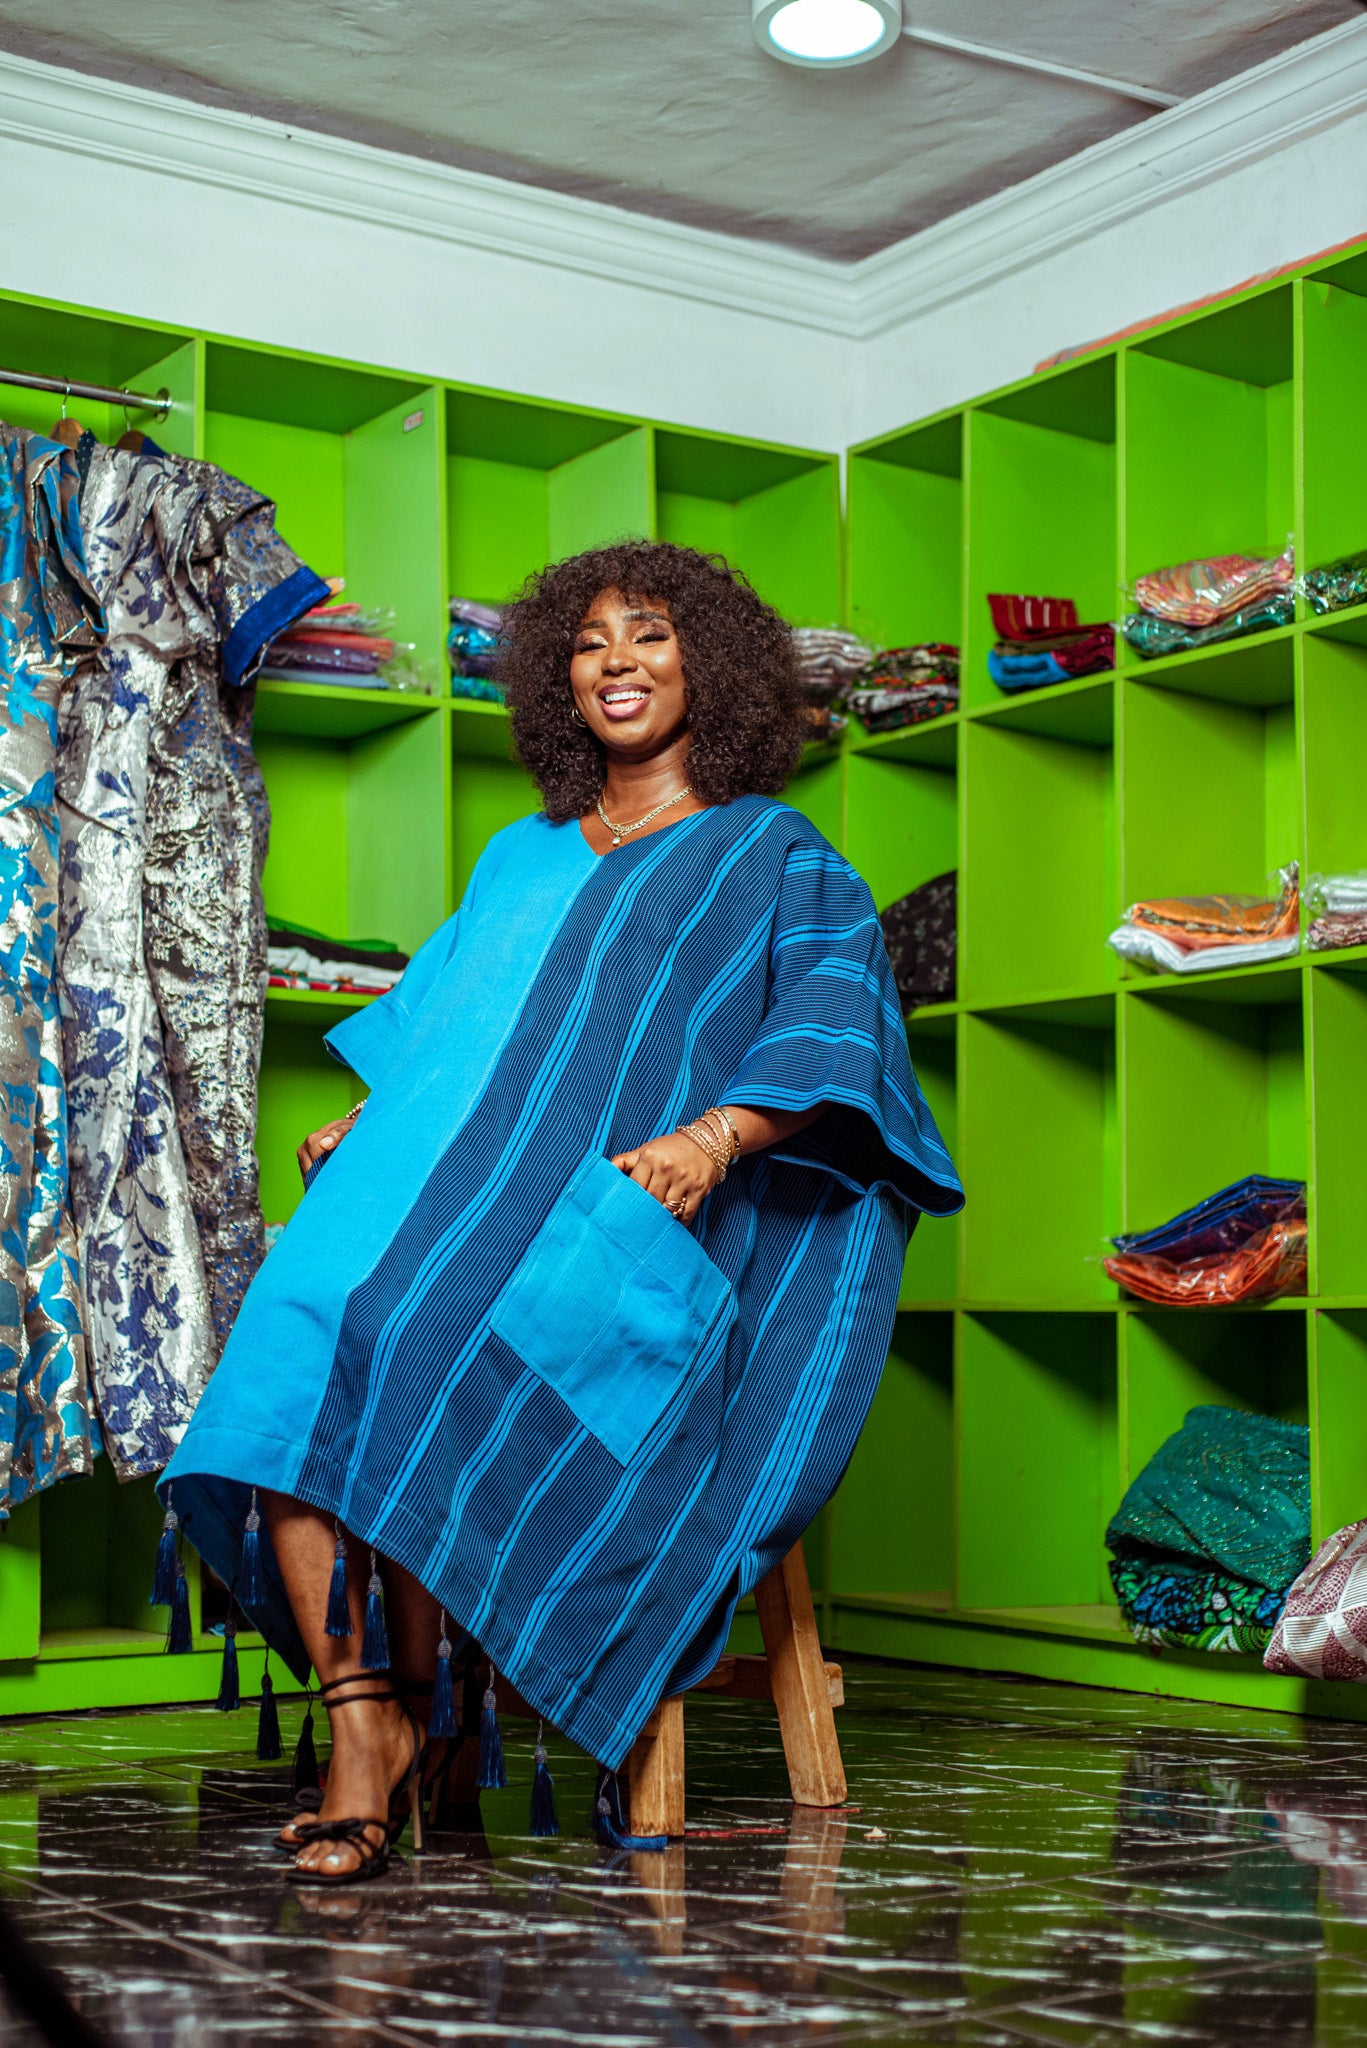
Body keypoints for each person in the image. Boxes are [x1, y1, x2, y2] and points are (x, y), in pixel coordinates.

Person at [161, 540, 963, 1884]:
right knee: (288, 1334)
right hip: (452, 1183)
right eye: (589, 644)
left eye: (649, 635)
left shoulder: (772, 852)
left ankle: (405, 1729)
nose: (617, 663)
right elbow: (471, 1035)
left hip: (608, 1217)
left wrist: (718, 1138)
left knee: (419, 1342)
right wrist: (379, 1114)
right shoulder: (517, 857)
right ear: (555, 679)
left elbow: (836, 1025)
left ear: (709, 662)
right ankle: (371, 1725)